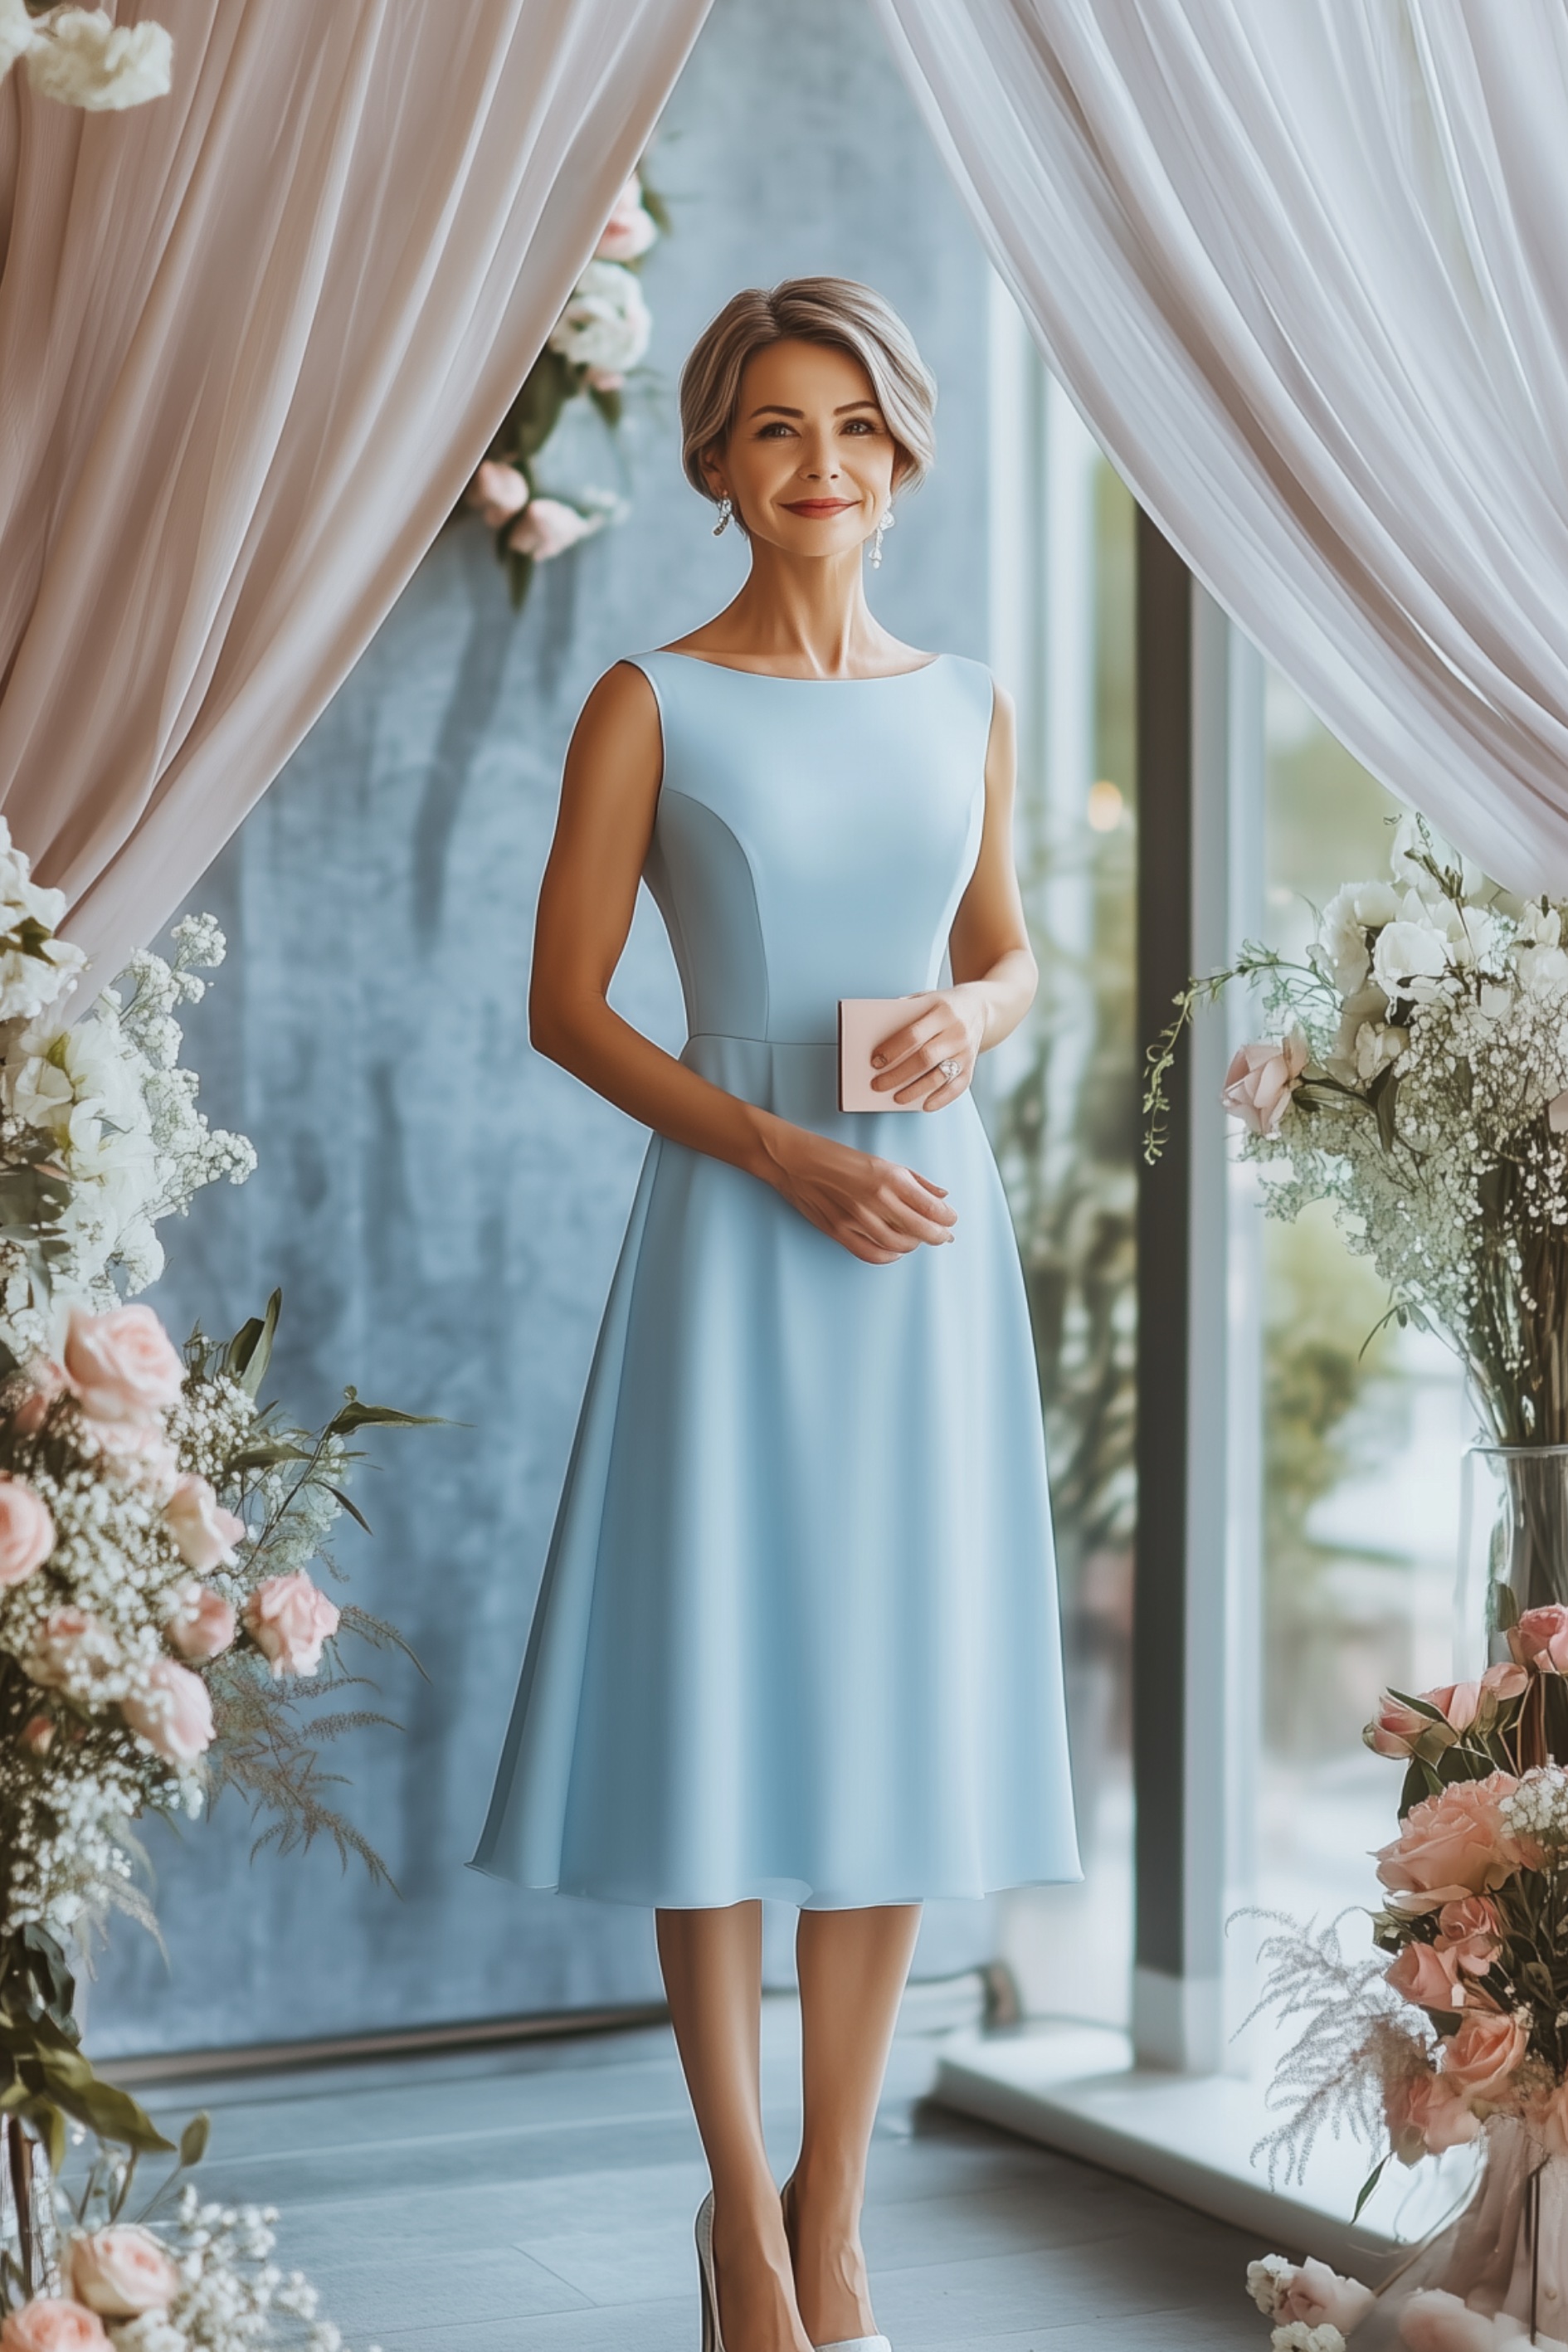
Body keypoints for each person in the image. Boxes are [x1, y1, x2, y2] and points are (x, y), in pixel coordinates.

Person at [471, 277, 1079, 2352]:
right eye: (772, 428)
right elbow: (563, 1010)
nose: (817, 462)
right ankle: (743, 2216)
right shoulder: (650, 696)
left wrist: (974, 1015)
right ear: (716, 464)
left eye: (854, 428)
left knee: (888, 1726)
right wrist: (776, 1143)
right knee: (722, 1718)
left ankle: (835, 2210)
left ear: (901, 460)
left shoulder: (967, 699)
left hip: (919, 1246)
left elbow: (1007, 952)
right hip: (745, 1235)